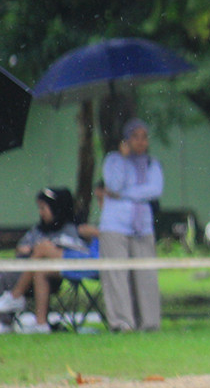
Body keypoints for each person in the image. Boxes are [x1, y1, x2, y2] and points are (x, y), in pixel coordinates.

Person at [0, 187, 97, 334]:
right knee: (6, 274)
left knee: (36, 256)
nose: (41, 213)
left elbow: (78, 249)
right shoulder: (39, 229)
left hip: (57, 273)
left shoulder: (71, 229)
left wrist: (37, 250)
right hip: (27, 269)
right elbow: (21, 247)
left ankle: (15, 297)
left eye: (43, 208)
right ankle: (16, 316)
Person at [99, 117, 163, 332]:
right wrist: (124, 160)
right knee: (117, 274)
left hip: (142, 226)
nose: (140, 142)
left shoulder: (152, 164)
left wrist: (125, 195)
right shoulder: (113, 160)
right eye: (135, 137)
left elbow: (154, 190)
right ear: (126, 140)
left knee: (146, 275)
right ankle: (122, 322)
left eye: (144, 137)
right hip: (115, 225)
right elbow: (113, 184)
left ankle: (149, 323)